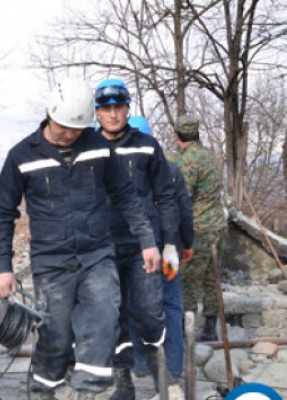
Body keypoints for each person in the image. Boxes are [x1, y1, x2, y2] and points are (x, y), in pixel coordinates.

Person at [0, 77, 160, 400]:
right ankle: (44, 391)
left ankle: (87, 392)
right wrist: (3, 266)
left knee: (106, 316)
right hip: (52, 262)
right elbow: (2, 212)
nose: (70, 134)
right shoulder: (21, 156)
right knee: (54, 336)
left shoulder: (98, 148)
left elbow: (125, 195)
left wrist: (147, 240)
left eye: (76, 129)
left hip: (97, 255)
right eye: (63, 127)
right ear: (48, 113)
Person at [95, 79, 177, 400]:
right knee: (112, 317)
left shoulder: (147, 146)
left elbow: (166, 196)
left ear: (128, 108)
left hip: (145, 248)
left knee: (150, 312)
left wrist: (169, 242)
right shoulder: (89, 150)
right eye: (106, 108)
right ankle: (124, 382)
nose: (113, 114)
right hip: (103, 248)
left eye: (119, 107)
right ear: (98, 113)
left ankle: (162, 379)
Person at [128, 115, 194, 400]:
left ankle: (139, 364)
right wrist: (186, 243)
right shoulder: (170, 169)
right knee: (170, 308)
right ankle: (173, 377)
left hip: (135, 254)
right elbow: (184, 211)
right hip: (167, 252)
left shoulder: (116, 170)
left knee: (133, 305)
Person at [167, 115, 226, 342]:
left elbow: (184, 196)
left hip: (199, 229)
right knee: (213, 278)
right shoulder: (209, 154)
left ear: (177, 135)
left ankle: (185, 330)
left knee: (189, 279)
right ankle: (211, 328)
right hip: (218, 226)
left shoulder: (188, 160)